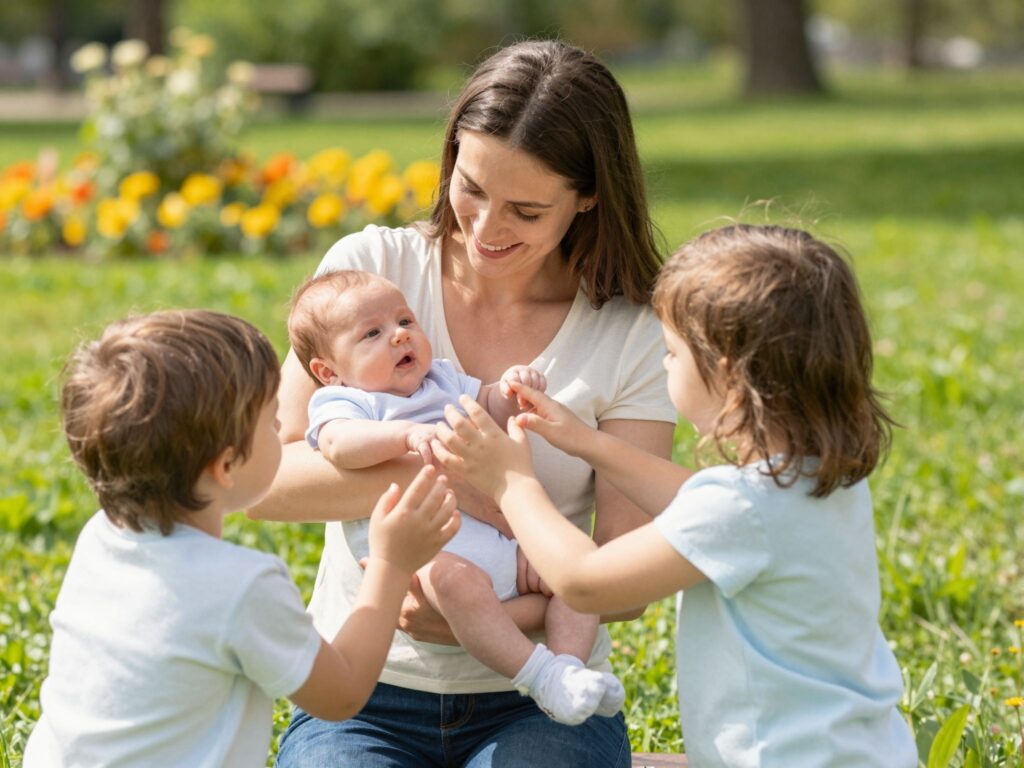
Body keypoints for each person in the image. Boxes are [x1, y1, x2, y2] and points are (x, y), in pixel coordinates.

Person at [251, 39, 677, 768]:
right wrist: (463, 478)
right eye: (471, 188)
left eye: (525, 210)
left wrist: (487, 617)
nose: (485, 228)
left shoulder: (630, 332)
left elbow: (626, 575)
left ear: (588, 196)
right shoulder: (369, 276)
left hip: (543, 696)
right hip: (366, 691)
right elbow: (266, 481)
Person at [433, 224, 918, 767]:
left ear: (726, 377)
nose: (664, 363)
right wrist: (587, 441)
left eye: (671, 352)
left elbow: (584, 583)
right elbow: (694, 499)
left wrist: (511, 481)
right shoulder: (817, 480)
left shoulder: (741, 507)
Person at [24, 309, 459, 768]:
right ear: (226, 465)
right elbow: (343, 693)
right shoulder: (242, 586)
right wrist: (391, 563)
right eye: (271, 420)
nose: (282, 431)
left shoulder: (100, 539)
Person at [287, 269, 625, 725]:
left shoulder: (441, 379)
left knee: (576, 568)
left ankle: (569, 671)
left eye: (404, 321)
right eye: (372, 333)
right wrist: (405, 435)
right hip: (430, 561)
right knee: (457, 584)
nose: (399, 336)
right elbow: (338, 446)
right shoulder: (346, 404)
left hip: (506, 548)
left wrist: (510, 389)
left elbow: (488, 404)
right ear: (329, 372)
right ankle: (539, 675)